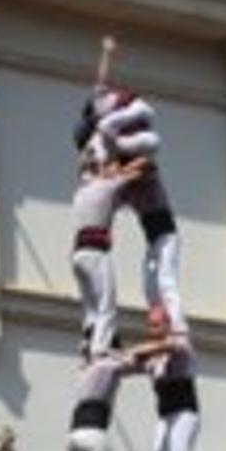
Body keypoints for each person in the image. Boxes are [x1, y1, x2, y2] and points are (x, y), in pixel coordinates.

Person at [83, 82, 189, 342]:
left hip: (166, 236)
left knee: (166, 281)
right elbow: (109, 192)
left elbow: (140, 167)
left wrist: (110, 160)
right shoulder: (128, 182)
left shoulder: (145, 170)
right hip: (154, 238)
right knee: (151, 288)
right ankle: (161, 326)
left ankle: (179, 329)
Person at [69, 138, 150, 359]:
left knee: (91, 306)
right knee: (107, 302)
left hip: (78, 255)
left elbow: (112, 202)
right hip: (96, 252)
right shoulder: (104, 186)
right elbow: (140, 169)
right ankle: (101, 347)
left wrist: (112, 171)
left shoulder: (80, 193)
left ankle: (89, 340)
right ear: (97, 169)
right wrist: (122, 167)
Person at [142, 304, 200, 451]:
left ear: (167, 325)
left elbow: (173, 346)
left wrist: (135, 352)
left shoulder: (180, 346)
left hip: (183, 413)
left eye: (156, 325)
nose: (151, 330)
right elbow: (131, 363)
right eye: (149, 326)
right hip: (165, 415)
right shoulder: (153, 359)